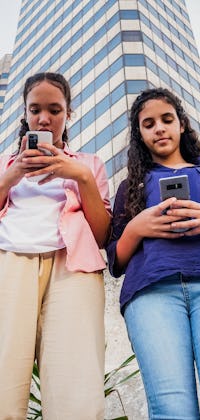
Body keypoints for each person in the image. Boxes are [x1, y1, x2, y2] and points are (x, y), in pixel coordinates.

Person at [106, 88, 200, 419]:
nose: (159, 128)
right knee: (170, 410)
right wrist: (137, 228)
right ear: (139, 135)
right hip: (151, 294)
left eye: (166, 119)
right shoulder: (129, 186)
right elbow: (115, 260)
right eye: (148, 124)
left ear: (181, 125)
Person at [0, 72, 112, 419]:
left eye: (54, 109)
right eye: (35, 109)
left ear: (68, 114)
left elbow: (102, 234)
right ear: (25, 113)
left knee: (75, 386)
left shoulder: (89, 164)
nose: (44, 118)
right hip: (9, 262)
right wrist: (13, 174)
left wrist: (77, 174)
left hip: (73, 268)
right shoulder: (5, 164)